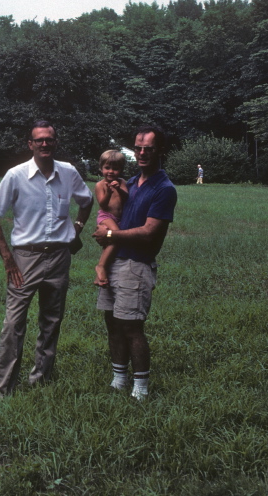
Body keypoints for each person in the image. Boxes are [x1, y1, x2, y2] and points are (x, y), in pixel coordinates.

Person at [0, 120, 93, 405]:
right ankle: (0, 390)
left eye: (50, 139)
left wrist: (77, 228)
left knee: (51, 320)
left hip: (59, 257)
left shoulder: (68, 172)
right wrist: (8, 258)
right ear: (30, 144)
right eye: (39, 140)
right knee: (13, 323)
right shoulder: (16, 175)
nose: (45, 144)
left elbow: (87, 200)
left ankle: (41, 379)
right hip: (25, 259)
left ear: (56, 143)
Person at [92, 126, 177, 401]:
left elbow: (150, 231)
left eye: (148, 149)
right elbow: (110, 212)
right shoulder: (130, 181)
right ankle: (119, 378)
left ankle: (140, 388)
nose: (142, 153)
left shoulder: (164, 189)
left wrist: (109, 234)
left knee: (131, 326)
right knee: (112, 322)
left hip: (136, 265)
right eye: (138, 148)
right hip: (116, 260)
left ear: (160, 151)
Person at [94, 150, 129, 287]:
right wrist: (108, 192)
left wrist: (119, 189)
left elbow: (127, 198)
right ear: (101, 168)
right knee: (115, 237)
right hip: (106, 216)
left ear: (120, 170)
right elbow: (102, 204)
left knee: (110, 243)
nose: (111, 171)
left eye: (115, 168)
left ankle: (100, 276)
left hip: (119, 218)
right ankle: (100, 266)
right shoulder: (100, 185)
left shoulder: (122, 182)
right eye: (107, 168)